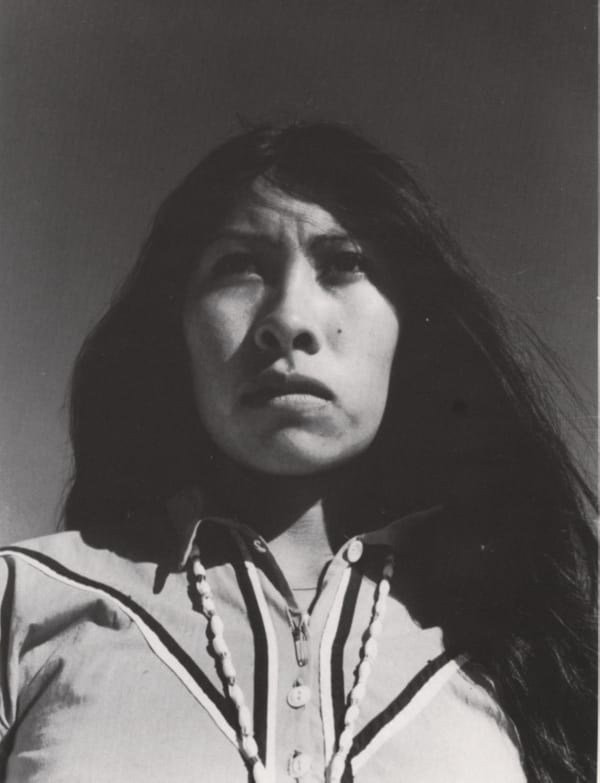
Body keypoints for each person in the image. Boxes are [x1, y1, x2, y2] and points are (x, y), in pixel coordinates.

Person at [0, 122, 596, 783]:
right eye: (238, 265)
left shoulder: (534, 639)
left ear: (413, 328)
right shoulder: (22, 602)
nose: (290, 319)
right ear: (175, 332)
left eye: (345, 263)